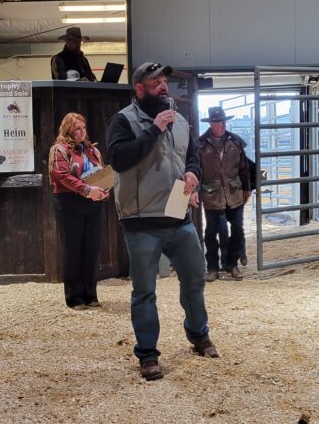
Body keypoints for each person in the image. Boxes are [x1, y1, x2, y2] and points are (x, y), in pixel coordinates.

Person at [107, 61, 217, 381]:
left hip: (179, 216)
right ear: (139, 88)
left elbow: (191, 155)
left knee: (195, 280)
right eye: (155, 81)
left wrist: (194, 173)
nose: (163, 85)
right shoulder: (123, 121)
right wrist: (154, 129)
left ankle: (199, 336)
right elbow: (119, 158)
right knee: (144, 291)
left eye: (164, 80)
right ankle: (148, 355)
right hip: (141, 222)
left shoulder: (180, 121)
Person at [49, 112, 109, 310]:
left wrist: (103, 190)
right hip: (69, 202)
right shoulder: (59, 150)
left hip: (93, 202)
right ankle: (74, 297)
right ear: (68, 130)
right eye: (77, 128)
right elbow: (61, 175)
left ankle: (90, 295)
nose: (82, 132)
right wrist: (86, 189)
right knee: (73, 249)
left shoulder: (92, 150)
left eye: (84, 128)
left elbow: (100, 173)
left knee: (91, 248)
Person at [197, 106, 250, 282]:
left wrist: (247, 188)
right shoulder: (200, 144)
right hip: (211, 194)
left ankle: (232, 263)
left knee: (237, 229)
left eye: (222, 122)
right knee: (211, 232)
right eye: (216, 122)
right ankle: (212, 267)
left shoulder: (236, 142)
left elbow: (244, 168)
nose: (220, 125)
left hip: (234, 192)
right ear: (210, 123)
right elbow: (196, 170)